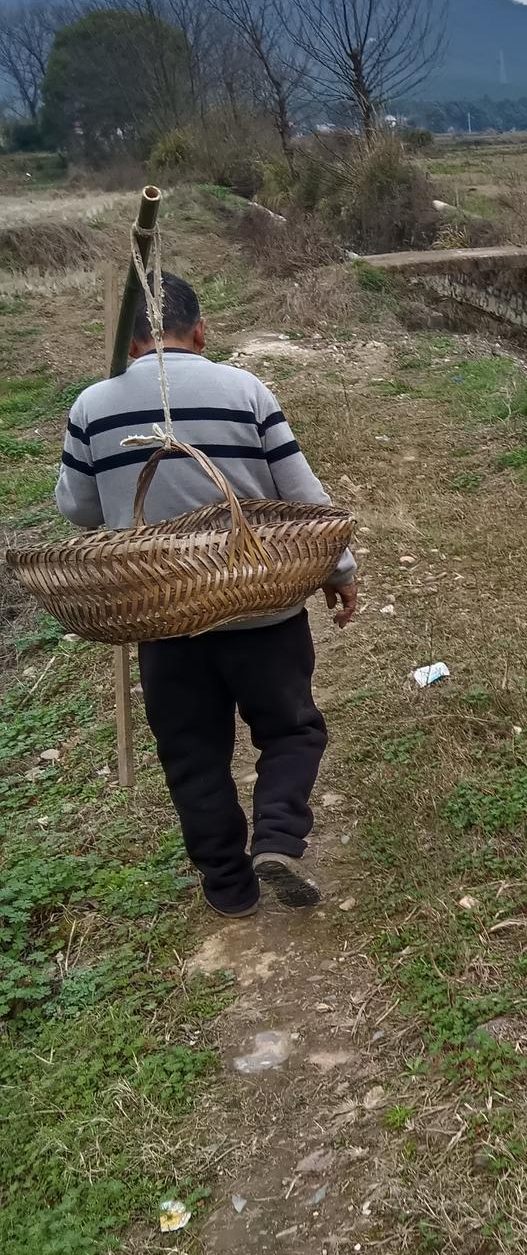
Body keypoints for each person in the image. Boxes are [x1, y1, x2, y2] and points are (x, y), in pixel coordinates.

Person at [55, 272, 358, 919]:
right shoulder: (245, 390)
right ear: (200, 331)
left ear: (130, 344)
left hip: (161, 619)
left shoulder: (90, 406)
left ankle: (227, 886)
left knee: (192, 755)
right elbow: (302, 495)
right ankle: (277, 837)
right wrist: (340, 570)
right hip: (263, 607)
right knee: (292, 729)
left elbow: (77, 509)